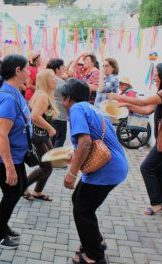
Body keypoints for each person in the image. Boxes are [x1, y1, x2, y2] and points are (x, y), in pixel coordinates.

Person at [61, 78, 128, 264]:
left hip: (107, 169)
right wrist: (74, 156)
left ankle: (95, 256)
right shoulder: (92, 108)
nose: (62, 103)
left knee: (83, 210)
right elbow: (89, 141)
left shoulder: (76, 109)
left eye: (63, 98)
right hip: (112, 165)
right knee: (80, 202)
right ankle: (93, 241)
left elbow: (85, 142)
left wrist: (72, 173)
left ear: (68, 98)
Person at [108, 62, 162, 215]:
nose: (154, 79)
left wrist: (118, 97)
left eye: (156, 76)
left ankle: (157, 202)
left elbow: (144, 102)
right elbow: (147, 110)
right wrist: (128, 106)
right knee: (158, 169)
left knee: (146, 167)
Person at [0, 54, 30, 249]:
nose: (29, 72)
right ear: (18, 71)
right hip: (3, 155)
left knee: (18, 188)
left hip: (14, 153)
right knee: (12, 192)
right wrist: (9, 167)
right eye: (27, 68)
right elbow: (1, 135)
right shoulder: (8, 98)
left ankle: (1, 223)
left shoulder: (14, 91)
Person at [22, 69, 58, 202]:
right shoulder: (42, 96)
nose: (55, 80)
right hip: (37, 136)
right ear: (45, 80)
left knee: (49, 164)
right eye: (52, 77)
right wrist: (50, 128)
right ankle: (22, 187)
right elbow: (34, 116)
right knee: (46, 166)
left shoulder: (44, 94)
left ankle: (37, 191)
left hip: (42, 135)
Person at [46, 58, 68, 148]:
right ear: (57, 69)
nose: (64, 69)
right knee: (60, 139)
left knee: (52, 139)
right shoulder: (61, 83)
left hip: (50, 113)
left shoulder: (47, 79)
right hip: (60, 114)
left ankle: (50, 158)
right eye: (62, 67)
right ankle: (55, 159)